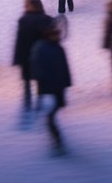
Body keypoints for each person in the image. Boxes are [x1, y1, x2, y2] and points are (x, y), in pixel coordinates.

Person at [31, 23, 72, 155]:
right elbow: (37, 70)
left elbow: (65, 68)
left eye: (58, 34)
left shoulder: (57, 48)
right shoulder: (42, 48)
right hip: (48, 88)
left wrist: (66, 83)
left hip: (57, 88)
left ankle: (57, 142)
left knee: (51, 116)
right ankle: (57, 142)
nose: (57, 36)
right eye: (55, 34)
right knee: (50, 118)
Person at [13, 0, 54, 112]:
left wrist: (17, 58)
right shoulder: (47, 20)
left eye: (26, 4)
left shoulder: (24, 20)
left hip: (26, 56)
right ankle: (39, 102)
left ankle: (27, 103)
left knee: (27, 81)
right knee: (39, 80)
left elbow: (20, 42)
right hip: (41, 56)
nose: (24, 6)